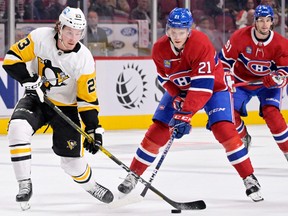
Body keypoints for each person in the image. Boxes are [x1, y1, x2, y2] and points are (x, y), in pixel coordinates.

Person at [118, 7, 263, 202]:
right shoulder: (159, 49)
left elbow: (203, 86)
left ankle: (249, 177)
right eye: (173, 31)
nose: (177, 36)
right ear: (167, 29)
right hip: (183, 89)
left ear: (189, 30)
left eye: (181, 32)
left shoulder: (200, 43)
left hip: (214, 88)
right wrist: (177, 96)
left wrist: (185, 114)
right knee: (158, 129)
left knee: (224, 130)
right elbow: (164, 79)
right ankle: (133, 175)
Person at [2, 6, 114, 210]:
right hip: (37, 98)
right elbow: (11, 59)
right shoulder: (40, 37)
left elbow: (87, 99)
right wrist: (29, 80)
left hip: (67, 108)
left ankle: (91, 185)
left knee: (72, 165)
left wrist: (93, 129)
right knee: (17, 128)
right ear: (59, 27)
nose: (73, 37)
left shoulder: (84, 59)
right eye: (69, 31)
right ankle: (24, 184)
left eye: (78, 32)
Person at [218, 5, 288, 157]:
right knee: (229, 113)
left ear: (272, 22)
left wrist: (277, 78)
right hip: (241, 82)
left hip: (267, 86)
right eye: (261, 20)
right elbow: (223, 61)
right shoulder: (240, 37)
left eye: (268, 20)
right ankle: (243, 136)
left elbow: (285, 73)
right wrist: (226, 76)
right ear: (255, 21)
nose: (264, 24)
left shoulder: (281, 44)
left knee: (273, 115)